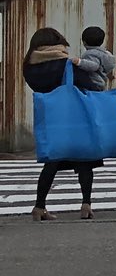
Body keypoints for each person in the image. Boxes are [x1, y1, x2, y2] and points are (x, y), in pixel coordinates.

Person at [21, 28, 100, 221]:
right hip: (72, 115)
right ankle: (86, 204)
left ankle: (39, 207)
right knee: (84, 158)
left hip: (49, 117)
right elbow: (89, 85)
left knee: (52, 161)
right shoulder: (65, 64)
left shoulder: (29, 66)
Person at [75, 26, 116, 92]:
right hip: (100, 83)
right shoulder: (103, 54)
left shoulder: (90, 53)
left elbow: (94, 66)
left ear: (84, 42)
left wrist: (79, 62)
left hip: (93, 83)